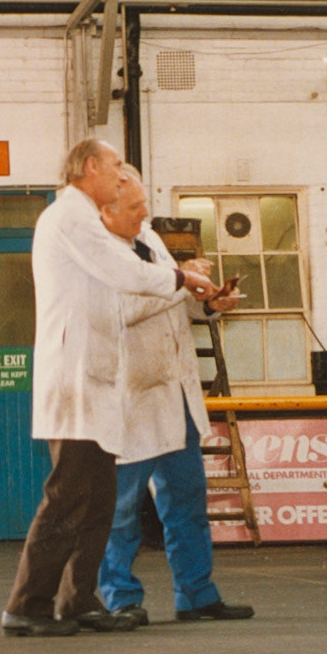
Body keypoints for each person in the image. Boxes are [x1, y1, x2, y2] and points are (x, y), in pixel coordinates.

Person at [3, 140, 217, 638]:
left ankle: (78, 601)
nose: (122, 177)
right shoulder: (70, 216)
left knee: (98, 499)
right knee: (67, 495)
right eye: (117, 167)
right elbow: (122, 274)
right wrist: (183, 277)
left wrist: (179, 281)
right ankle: (27, 605)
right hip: (77, 377)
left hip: (99, 379)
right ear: (91, 167)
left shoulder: (83, 217)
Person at [96, 171, 255, 625]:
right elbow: (124, 309)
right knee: (121, 508)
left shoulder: (148, 240)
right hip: (131, 397)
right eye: (135, 207)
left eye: (145, 203)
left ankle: (197, 595)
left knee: (187, 500)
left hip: (176, 394)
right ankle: (121, 599)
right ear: (106, 210)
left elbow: (171, 297)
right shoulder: (101, 253)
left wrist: (207, 303)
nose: (146, 213)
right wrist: (180, 281)